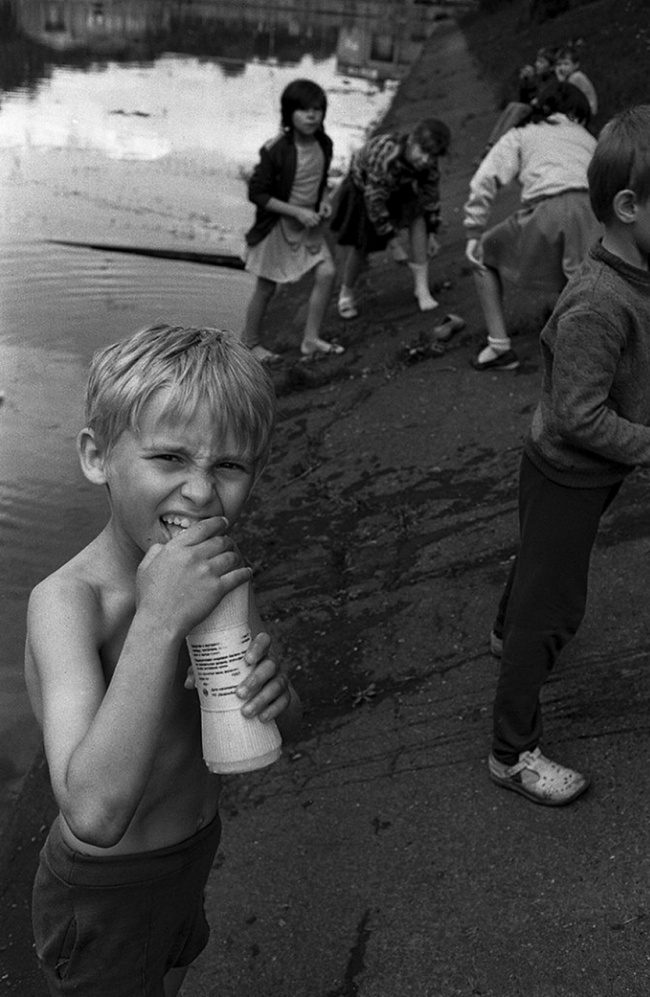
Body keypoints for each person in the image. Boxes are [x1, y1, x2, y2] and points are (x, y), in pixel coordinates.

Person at [26, 323, 302, 995]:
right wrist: (159, 616)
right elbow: (93, 811)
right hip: (105, 887)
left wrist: (277, 697)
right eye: (170, 458)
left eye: (229, 466)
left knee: (168, 977)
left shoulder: (220, 576)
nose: (202, 492)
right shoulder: (68, 602)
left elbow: (280, 726)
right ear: (98, 456)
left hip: (192, 852)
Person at [487, 104, 650, 806]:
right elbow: (581, 415)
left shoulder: (634, 274)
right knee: (553, 611)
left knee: (538, 570)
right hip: (569, 471)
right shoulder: (598, 303)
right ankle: (511, 750)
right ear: (628, 206)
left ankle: (504, 630)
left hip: (585, 472)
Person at [464, 81, 600, 371]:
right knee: (584, 275)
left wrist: (473, 229)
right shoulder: (588, 137)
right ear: (577, 114)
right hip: (593, 211)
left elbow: (484, 180)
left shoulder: (521, 134)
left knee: (482, 257)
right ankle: (599, 348)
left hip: (548, 211)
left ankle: (499, 345)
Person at [242, 78, 342, 365]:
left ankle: (310, 340)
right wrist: (296, 211)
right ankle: (250, 344)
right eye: (303, 110)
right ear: (289, 114)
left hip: (309, 228)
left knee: (326, 273)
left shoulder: (324, 143)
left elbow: (321, 181)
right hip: (277, 227)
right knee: (266, 287)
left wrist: (323, 199)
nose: (312, 116)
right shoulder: (276, 149)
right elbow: (257, 193)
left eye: (317, 109)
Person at [330, 118, 451, 319]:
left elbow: (431, 196)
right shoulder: (386, 157)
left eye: (433, 155)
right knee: (363, 243)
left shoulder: (427, 165)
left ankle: (422, 289)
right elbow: (375, 202)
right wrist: (394, 245)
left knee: (418, 217)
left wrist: (433, 233)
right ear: (412, 141)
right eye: (423, 151)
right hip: (366, 188)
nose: (426, 159)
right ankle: (346, 293)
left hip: (402, 183)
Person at [482, 46, 557, 155]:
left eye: (542, 62)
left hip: (543, 114)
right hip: (534, 111)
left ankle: (497, 144)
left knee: (520, 108)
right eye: (537, 61)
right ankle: (491, 143)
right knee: (513, 105)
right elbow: (525, 99)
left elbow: (543, 102)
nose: (537, 65)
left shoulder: (552, 81)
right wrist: (526, 82)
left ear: (551, 67)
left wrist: (535, 99)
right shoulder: (539, 78)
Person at [554, 44, 598, 117]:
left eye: (566, 64)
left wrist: (560, 79)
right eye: (559, 64)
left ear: (576, 65)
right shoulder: (572, 76)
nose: (562, 68)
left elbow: (565, 95)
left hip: (586, 111)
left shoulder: (576, 77)